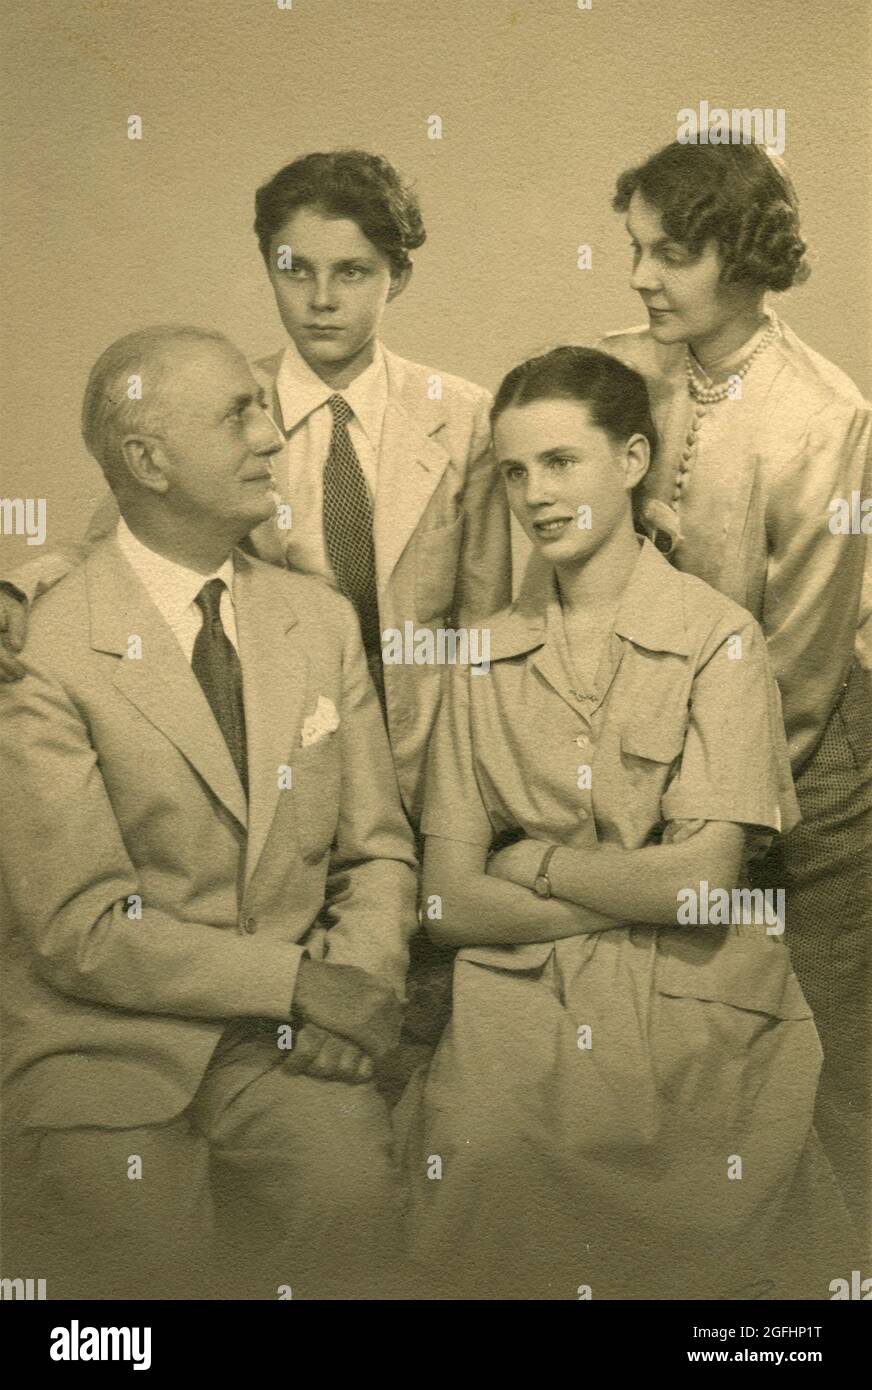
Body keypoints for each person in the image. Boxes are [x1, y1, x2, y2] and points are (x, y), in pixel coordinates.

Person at [397, 346, 857, 1301]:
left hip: (696, 994)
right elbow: (447, 901)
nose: (535, 494)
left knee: (711, 1198)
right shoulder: (476, 657)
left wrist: (535, 866)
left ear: (635, 460)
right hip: (519, 994)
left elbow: (701, 891)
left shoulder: (719, 639)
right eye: (516, 471)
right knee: (485, 1158)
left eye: (562, 462)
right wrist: (618, 890)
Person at [0, 326, 418, 1301]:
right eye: (238, 413)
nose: (273, 438)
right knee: (145, 1263)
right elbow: (81, 930)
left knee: (352, 1197)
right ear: (146, 460)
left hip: (280, 1052)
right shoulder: (45, 649)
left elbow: (378, 851)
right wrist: (300, 982)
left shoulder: (315, 620)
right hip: (102, 1048)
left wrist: (352, 983)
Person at [598, 138, 872, 1240]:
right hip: (642, 770)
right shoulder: (622, 366)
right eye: (633, 249)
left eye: (670, 253)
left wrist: (704, 817)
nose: (640, 278)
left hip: (800, 780)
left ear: (745, 256)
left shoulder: (820, 414)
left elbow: (795, 668)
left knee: (829, 1061)